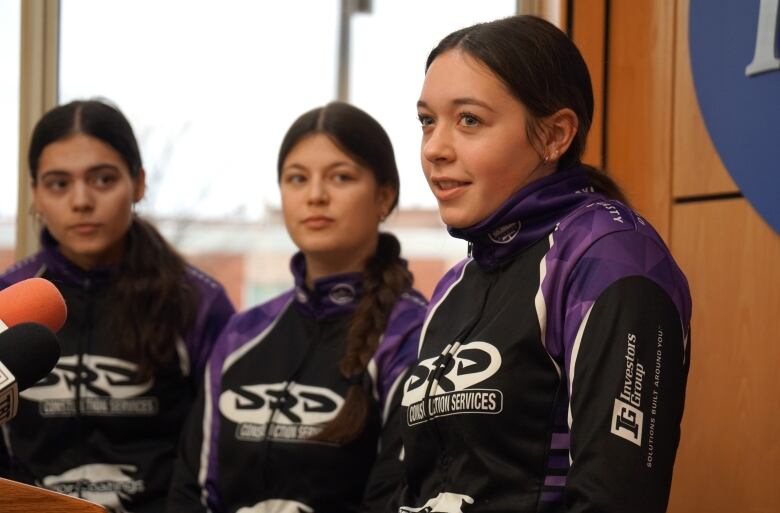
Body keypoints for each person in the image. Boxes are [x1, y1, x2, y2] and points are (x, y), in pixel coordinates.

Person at [397, 15, 691, 513]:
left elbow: (615, 499)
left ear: (555, 135)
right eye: (428, 121)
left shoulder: (612, 257)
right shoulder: (452, 285)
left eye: (469, 120)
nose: (434, 149)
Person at [167, 101, 428, 513]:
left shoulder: (413, 336)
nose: (315, 196)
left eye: (341, 177)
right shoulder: (241, 336)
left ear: (384, 197)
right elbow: (190, 491)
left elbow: (396, 500)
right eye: (297, 179)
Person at [0, 99, 235, 513]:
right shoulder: (11, 297)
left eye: (103, 179)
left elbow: (217, 457)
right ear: (34, 192)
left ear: (139, 183)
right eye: (58, 184)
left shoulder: (199, 303)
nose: (81, 201)